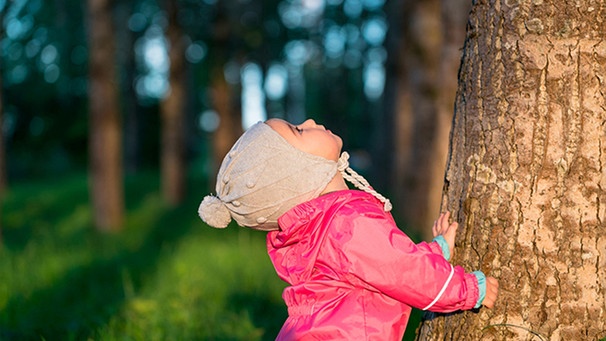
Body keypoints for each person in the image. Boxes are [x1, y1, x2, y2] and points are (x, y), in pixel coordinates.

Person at [199, 118, 499, 340]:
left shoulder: (319, 228)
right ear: (298, 173)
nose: (310, 121)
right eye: (299, 131)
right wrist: (469, 289)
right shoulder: (348, 222)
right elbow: (400, 270)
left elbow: (384, 266)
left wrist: (436, 251)